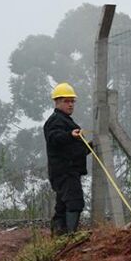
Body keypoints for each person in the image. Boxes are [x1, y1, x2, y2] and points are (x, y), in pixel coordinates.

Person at [43, 82, 91, 236]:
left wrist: (89, 147)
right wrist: (70, 135)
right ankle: (71, 236)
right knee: (74, 202)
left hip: (66, 171)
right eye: (66, 101)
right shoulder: (56, 120)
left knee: (62, 206)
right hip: (65, 172)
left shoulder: (66, 120)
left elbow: (71, 151)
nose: (71, 104)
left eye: (72, 101)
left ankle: (59, 237)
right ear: (57, 102)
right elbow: (54, 138)